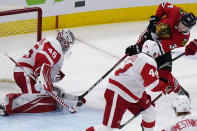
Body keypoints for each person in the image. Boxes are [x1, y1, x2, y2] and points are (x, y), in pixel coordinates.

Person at [86, 40, 178, 131]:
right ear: (154, 51)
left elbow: (142, 80)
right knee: (107, 129)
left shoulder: (136, 57)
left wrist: (163, 85)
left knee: (149, 112)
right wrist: (165, 85)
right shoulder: (148, 61)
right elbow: (152, 86)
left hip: (130, 92)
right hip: (118, 92)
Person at [0, 29, 85, 116]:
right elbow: (41, 58)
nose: (67, 47)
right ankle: (7, 104)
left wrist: (50, 79)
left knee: (48, 102)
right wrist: (42, 79)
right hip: (25, 73)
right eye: (67, 43)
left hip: (30, 74)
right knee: (37, 101)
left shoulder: (56, 48)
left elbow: (48, 68)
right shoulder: (55, 44)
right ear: (62, 40)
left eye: (69, 45)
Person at [125, 2, 197, 98]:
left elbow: (160, 48)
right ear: (180, 18)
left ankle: (177, 88)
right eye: (181, 24)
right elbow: (163, 5)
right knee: (137, 63)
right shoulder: (176, 12)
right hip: (151, 34)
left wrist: (139, 49)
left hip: (161, 46)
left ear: (190, 28)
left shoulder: (182, 39)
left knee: (165, 74)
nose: (181, 27)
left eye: (185, 27)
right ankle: (128, 85)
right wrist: (157, 17)